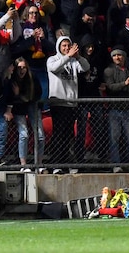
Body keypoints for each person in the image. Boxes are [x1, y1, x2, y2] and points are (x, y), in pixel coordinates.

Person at [46, 35, 89, 172]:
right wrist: (67, 57)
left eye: (68, 45)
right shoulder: (52, 59)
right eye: (63, 46)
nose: (66, 48)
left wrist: (77, 57)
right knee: (59, 134)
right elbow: (54, 68)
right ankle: (56, 164)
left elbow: (86, 67)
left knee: (68, 135)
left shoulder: (73, 61)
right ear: (59, 47)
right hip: (58, 102)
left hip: (71, 103)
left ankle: (64, 163)